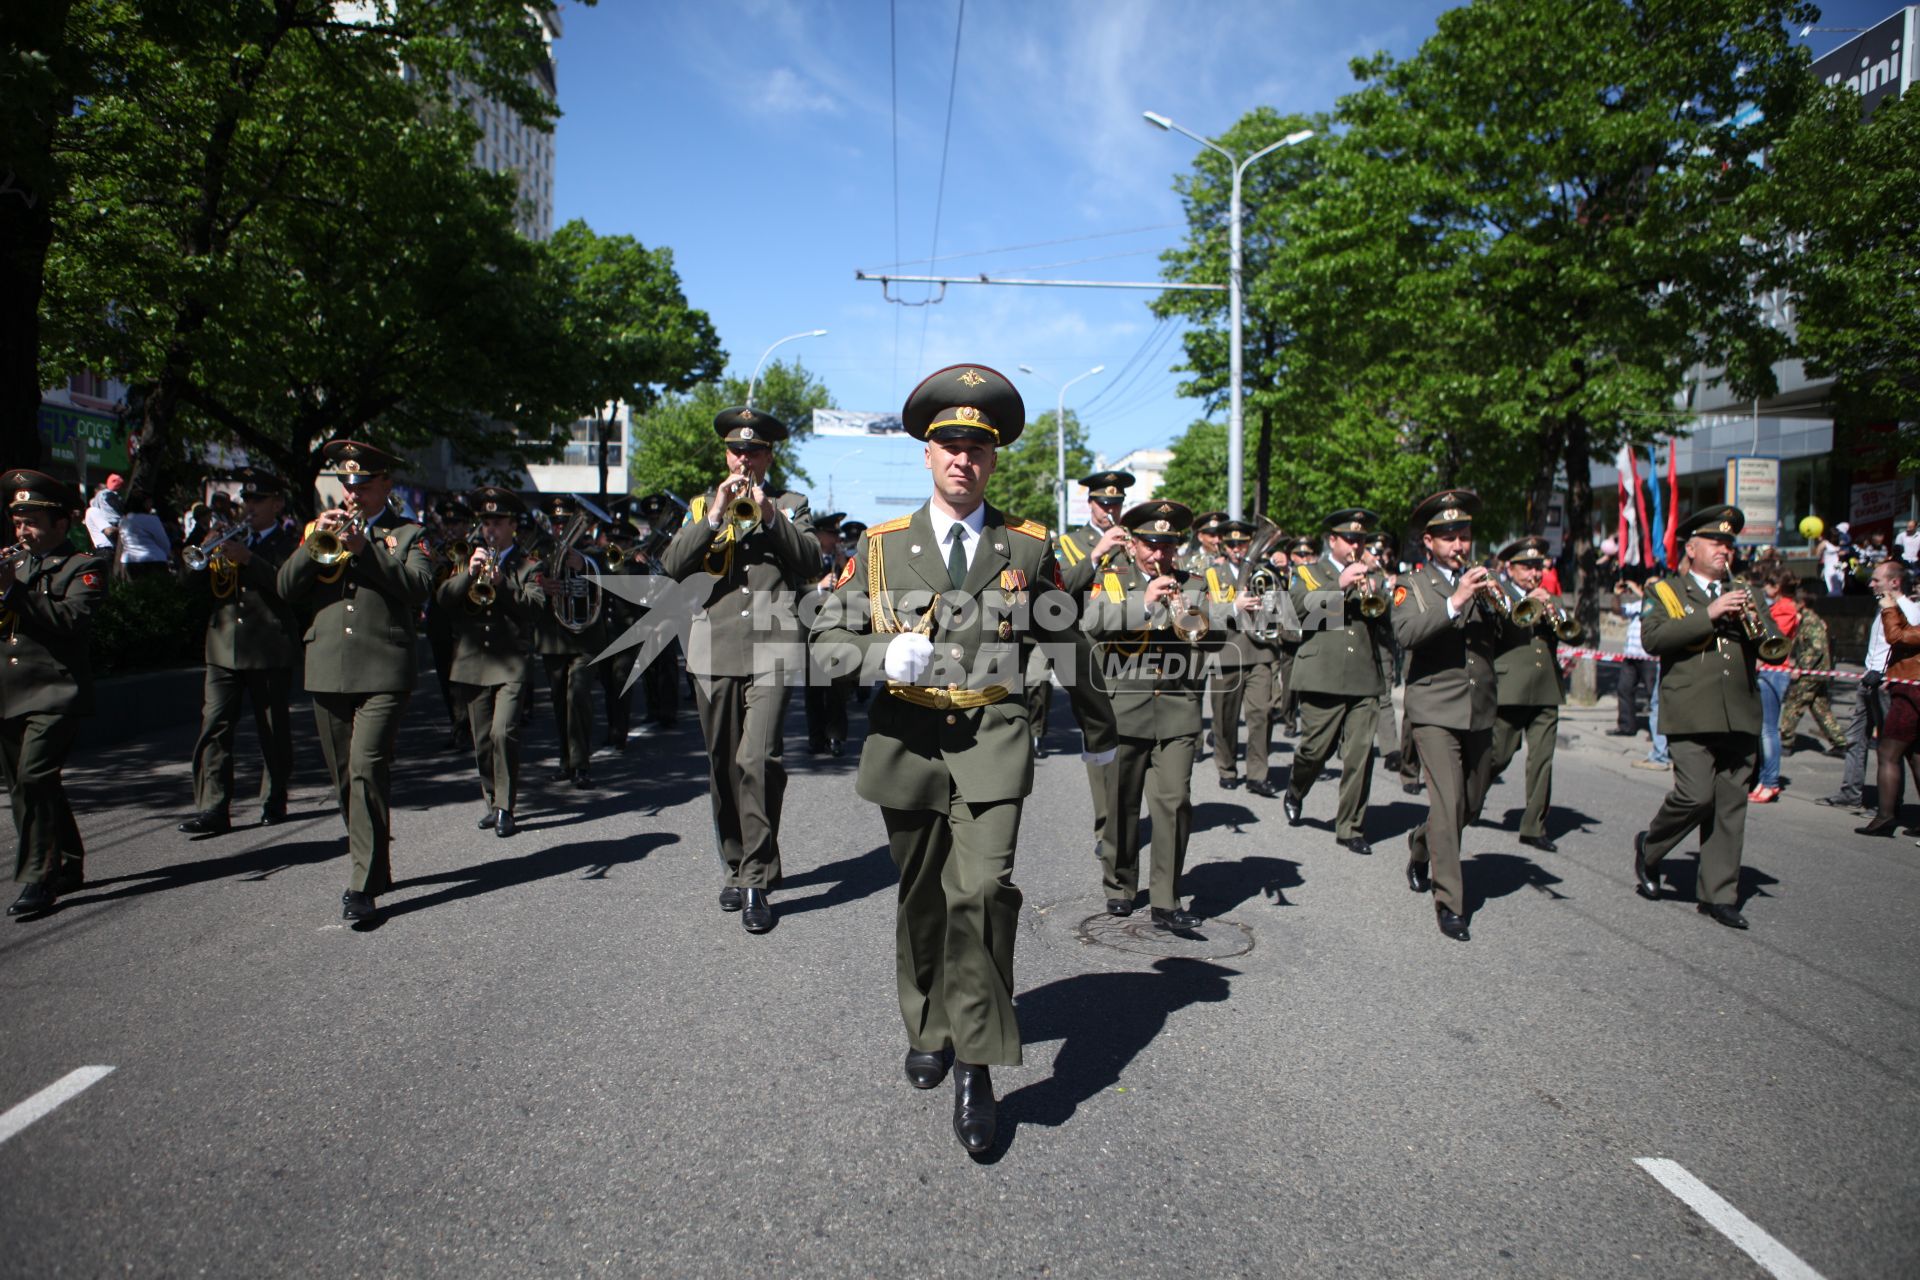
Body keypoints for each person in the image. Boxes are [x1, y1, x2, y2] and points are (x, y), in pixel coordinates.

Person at [808, 362, 1115, 1155]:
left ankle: (977, 1065)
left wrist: (1100, 722)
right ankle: (928, 1020)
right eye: (948, 443)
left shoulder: (1028, 546)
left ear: (994, 458)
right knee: (922, 902)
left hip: (992, 739)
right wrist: (882, 653)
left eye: (977, 447)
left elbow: (1062, 636)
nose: (961, 459)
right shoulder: (878, 551)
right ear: (927, 453)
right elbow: (824, 642)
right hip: (907, 741)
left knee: (983, 892)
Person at [662, 405, 819, 935]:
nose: (744, 459)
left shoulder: (791, 505)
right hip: (713, 647)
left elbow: (812, 562)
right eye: (736, 450)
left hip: (773, 643)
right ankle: (735, 862)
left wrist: (768, 515)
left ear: (769, 456)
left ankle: (756, 877)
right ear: (725, 454)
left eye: (754, 451)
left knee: (760, 759)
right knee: (723, 763)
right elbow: (671, 564)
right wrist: (714, 518)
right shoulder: (702, 505)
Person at [277, 440, 432, 923]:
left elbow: (418, 589)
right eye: (348, 485)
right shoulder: (319, 527)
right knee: (346, 778)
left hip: (384, 668)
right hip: (326, 666)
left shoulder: (409, 534)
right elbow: (285, 589)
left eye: (363, 485)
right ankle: (377, 861)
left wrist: (367, 552)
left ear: (385, 484)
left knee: (366, 767)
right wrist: (310, 546)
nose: (353, 494)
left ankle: (361, 885)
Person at [1632, 504, 1781, 930]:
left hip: (1738, 712)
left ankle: (1718, 895)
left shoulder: (1747, 592)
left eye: (1729, 544)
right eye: (1716, 542)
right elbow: (1654, 638)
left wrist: (1761, 627)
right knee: (1695, 796)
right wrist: (1711, 614)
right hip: (1690, 712)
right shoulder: (1666, 592)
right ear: (1691, 546)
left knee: (1730, 806)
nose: (1724, 550)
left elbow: (1771, 640)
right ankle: (1650, 847)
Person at [1083, 500, 1215, 929]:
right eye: (1152, 546)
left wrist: (1204, 620)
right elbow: (1092, 623)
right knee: (1122, 804)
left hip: (1178, 707)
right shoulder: (1113, 579)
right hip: (1125, 707)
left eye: (1169, 546)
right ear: (1134, 544)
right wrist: (1144, 602)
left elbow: (1214, 635)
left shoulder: (1193, 583)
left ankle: (1166, 898)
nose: (1161, 555)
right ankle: (1120, 885)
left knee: (1175, 803)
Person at [1394, 490, 1503, 943]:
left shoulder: (1482, 581)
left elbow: (1509, 638)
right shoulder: (1413, 585)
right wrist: (1455, 601)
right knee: (1447, 802)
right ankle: (1450, 903)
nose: (1459, 545)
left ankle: (1422, 845)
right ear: (1428, 542)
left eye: (1464, 535)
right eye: (1449, 537)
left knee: (1467, 806)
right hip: (1435, 709)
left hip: (1478, 709)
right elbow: (1405, 632)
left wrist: (1504, 604)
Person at [1, 471, 107, 917]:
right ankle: (67, 861)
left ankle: (38, 878)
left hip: (55, 691)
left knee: (34, 779)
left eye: (34, 521)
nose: (23, 531)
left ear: (62, 524)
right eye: (19, 521)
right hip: (8, 693)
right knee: (29, 783)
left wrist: (13, 591)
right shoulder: (14, 565)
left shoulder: (83, 566)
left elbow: (69, 622)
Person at [179, 468, 299, 835]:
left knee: (272, 729)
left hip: (268, 647)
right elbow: (188, 582)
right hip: (222, 645)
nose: (250, 507)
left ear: (277, 503)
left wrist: (248, 558)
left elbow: (287, 586)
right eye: (246, 500)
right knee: (214, 726)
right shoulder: (224, 538)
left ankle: (273, 797)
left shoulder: (289, 542)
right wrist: (206, 542)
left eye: (258, 500)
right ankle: (213, 807)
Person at [1282, 508, 1390, 856]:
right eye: (1351, 539)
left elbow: (1384, 616)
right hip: (1322, 674)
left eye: (1361, 539)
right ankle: (1296, 788)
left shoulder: (1373, 573)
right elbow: (1297, 611)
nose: (1357, 545)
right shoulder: (1310, 571)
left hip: (1363, 674)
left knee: (1360, 754)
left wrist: (1379, 583)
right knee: (1314, 750)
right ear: (1333, 541)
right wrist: (1339, 585)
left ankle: (1350, 827)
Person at [440, 486, 543, 837]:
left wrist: (503, 585)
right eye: (486, 522)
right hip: (472, 661)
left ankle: (506, 807)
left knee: (503, 732)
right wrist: (469, 574)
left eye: (498, 522)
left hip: (511, 662)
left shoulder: (529, 565)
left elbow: (535, 607)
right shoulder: (467, 558)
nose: (490, 529)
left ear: (513, 525)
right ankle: (491, 799)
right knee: (481, 738)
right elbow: (442, 600)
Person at [1055, 470, 1136, 845]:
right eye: (1105, 504)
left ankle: (1124, 819)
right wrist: (1098, 553)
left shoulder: (1134, 541)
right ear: (1090, 504)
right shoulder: (1071, 543)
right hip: (1090, 655)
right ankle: (1108, 828)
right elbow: (1059, 588)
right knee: (1101, 741)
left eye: (1117, 504)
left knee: (1132, 743)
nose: (1111, 510)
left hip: (1134, 654)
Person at [1480, 537, 1565, 852]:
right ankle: (1470, 798)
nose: (1534, 572)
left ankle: (1534, 825)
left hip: (1546, 688)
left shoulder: (1548, 596)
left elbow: (1574, 631)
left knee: (1542, 760)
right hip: (1511, 690)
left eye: (1538, 566)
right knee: (1498, 755)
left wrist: (1555, 611)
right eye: (1527, 566)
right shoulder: (1500, 595)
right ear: (1510, 568)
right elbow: (1508, 622)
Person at [1822, 558, 1919, 811]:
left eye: (1877, 580)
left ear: (1895, 582)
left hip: (1888, 684)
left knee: (1891, 747)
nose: (1871, 583)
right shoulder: (1883, 606)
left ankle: (1890, 804)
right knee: (1855, 738)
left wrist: (1886, 675)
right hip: (1867, 680)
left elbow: (1902, 645)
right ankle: (1850, 792)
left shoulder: (1908, 609)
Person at [534, 494, 606, 788]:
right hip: (554, 637)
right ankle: (565, 760)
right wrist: (542, 584)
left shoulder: (595, 552)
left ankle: (581, 764)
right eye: (556, 523)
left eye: (567, 523)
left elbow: (612, 586)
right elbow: (525, 579)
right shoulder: (540, 552)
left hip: (586, 639)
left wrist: (586, 566)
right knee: (558, 700)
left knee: (578, 696)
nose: (561, 529)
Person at [424, 498, 474, 751]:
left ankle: (467, 727)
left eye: (456, 523)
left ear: (466, 525)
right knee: (445, 679)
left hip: (465, 625)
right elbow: (427, 587)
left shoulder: (475, 551)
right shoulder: (438, 550)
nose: (451, 528)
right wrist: (435, 566)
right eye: (448, 523)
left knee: (464, 679)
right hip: (440, 624)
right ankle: (456, 724)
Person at [1207, 519, 1254, 789]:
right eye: (1232, 544)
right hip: (1224, 650)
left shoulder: (1260, 571)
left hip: (1257, 651)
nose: (1237, 548)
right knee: (1225, 716)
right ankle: (1227, 769)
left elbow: (1279, 609)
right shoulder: (1213, 573)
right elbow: (1210, 614)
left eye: (1242, 543)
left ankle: (1258, 774)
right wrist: (1235, 607)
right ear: (1225, 546)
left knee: (1261, 714)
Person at [1777, 575, 1845, 757]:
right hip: (1816, 671)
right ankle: (1839, 742)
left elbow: (1816, 648)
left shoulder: (1810, 621)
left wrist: (1801, 668)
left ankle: (1785, 742)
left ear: (1800, 604)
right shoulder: (1807, 621)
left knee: (1794, 703)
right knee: (1820, 707)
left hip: (1811, 672)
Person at [1749, 568, 1792, 804]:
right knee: (1762, 730)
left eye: (1768, 586)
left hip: (1773, 672)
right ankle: (1762, 779)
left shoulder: (1785, 608)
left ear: (1777, 587)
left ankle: (1770, 782)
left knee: (1768, 730)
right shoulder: (1776, 607)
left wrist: (1758, 616)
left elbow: (1774, 640)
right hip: (1765, 671)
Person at [1612, 572, 1656, 737]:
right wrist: (1617, 595)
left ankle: (1657, 733)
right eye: (1647, 585)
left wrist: (1637, 589)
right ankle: (1626, 726)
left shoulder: (1658, 604)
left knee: (1654, 694)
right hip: (1631, 655)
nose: (1649, 588)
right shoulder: (1639, 604)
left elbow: (1651, 604)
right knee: (1625, 689)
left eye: (1653, 585)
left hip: (1650, 657)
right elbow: (1617, 610)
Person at [116, 489, 173, 578]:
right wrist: (168, 554)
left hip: (129, 561)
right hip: (154, 559)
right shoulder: (151, 519)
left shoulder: (124, 520)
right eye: (149, 502)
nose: (151, 505)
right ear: (143, 503)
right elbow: (163, 541)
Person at [83, 479, 123, 552]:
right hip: (106, 551)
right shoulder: (94, 511)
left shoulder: (111, 512)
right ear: (97, 493)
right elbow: (110, 531)